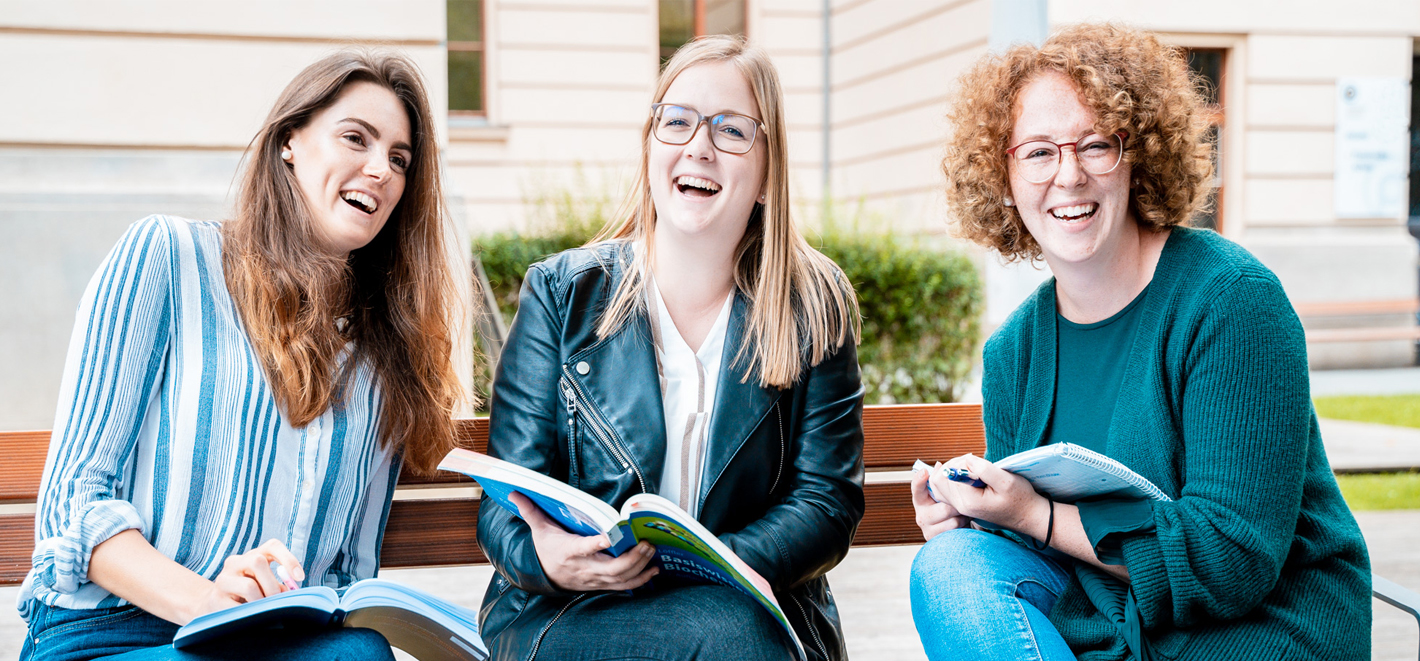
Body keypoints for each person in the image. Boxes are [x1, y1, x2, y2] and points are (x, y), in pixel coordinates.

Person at [909, 23, 1370, 661]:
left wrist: (1033, 517)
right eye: (1038, 152)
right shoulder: (1013, 354)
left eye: (1096, 145)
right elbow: (1044, 551)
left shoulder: (1231, 301)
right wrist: (977, 522)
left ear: (1139, 157)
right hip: (1116, 628)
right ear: (1002, 177)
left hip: (1263, 631)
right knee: (952, 567)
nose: (1068, 176)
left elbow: (1233, 561)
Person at [19, 49, 467, 661]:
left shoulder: (385, 354)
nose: (380, 170)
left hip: (274, 643)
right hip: (113, 633)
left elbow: (345, 578)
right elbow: (73, 501)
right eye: (354, 139)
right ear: (290, 141)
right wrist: (208, 604)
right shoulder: (170, 258)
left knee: (357, 650)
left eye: (399, 159)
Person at [476, 35, 865, 661]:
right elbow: (504, 503)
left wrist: (715, 569)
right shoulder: (561, 294)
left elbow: (826, 501)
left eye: (732, 130)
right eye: (676, 122)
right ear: (650, 148)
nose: (699, 147)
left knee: (729, 630)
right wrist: (546, 558)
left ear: (768, 175)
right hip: (575, 611)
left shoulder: (814, 305)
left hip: (752, 605)